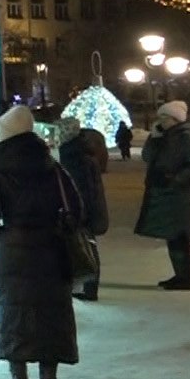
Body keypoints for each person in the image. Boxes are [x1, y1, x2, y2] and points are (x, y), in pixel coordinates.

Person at [0, 105, 81, 379]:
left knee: (14, 316)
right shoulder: (53, 167)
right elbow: (76, 209)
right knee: (51, 317)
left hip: (13, 251)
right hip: (51, 250)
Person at [134, 100, 190, 291]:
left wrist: (176, 179)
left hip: (179, 194)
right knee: (173, 235)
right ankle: (181, 276)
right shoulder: (166, 136)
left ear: (175, 119)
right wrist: (154, 137)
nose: (160, 121)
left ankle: (186, 278)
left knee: (178, 235)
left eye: (163, 117)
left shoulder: (186, 137)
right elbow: (147, 156)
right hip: (167, 193)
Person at [56, 117, 110, 302]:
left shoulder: (74, 156)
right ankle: (88, 286)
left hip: (83, 210)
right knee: (87, 245)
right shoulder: (81, 151)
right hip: (87, 208)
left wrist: (79, 212)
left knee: (85, 246)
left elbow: (81, 188)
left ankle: (89, 287)